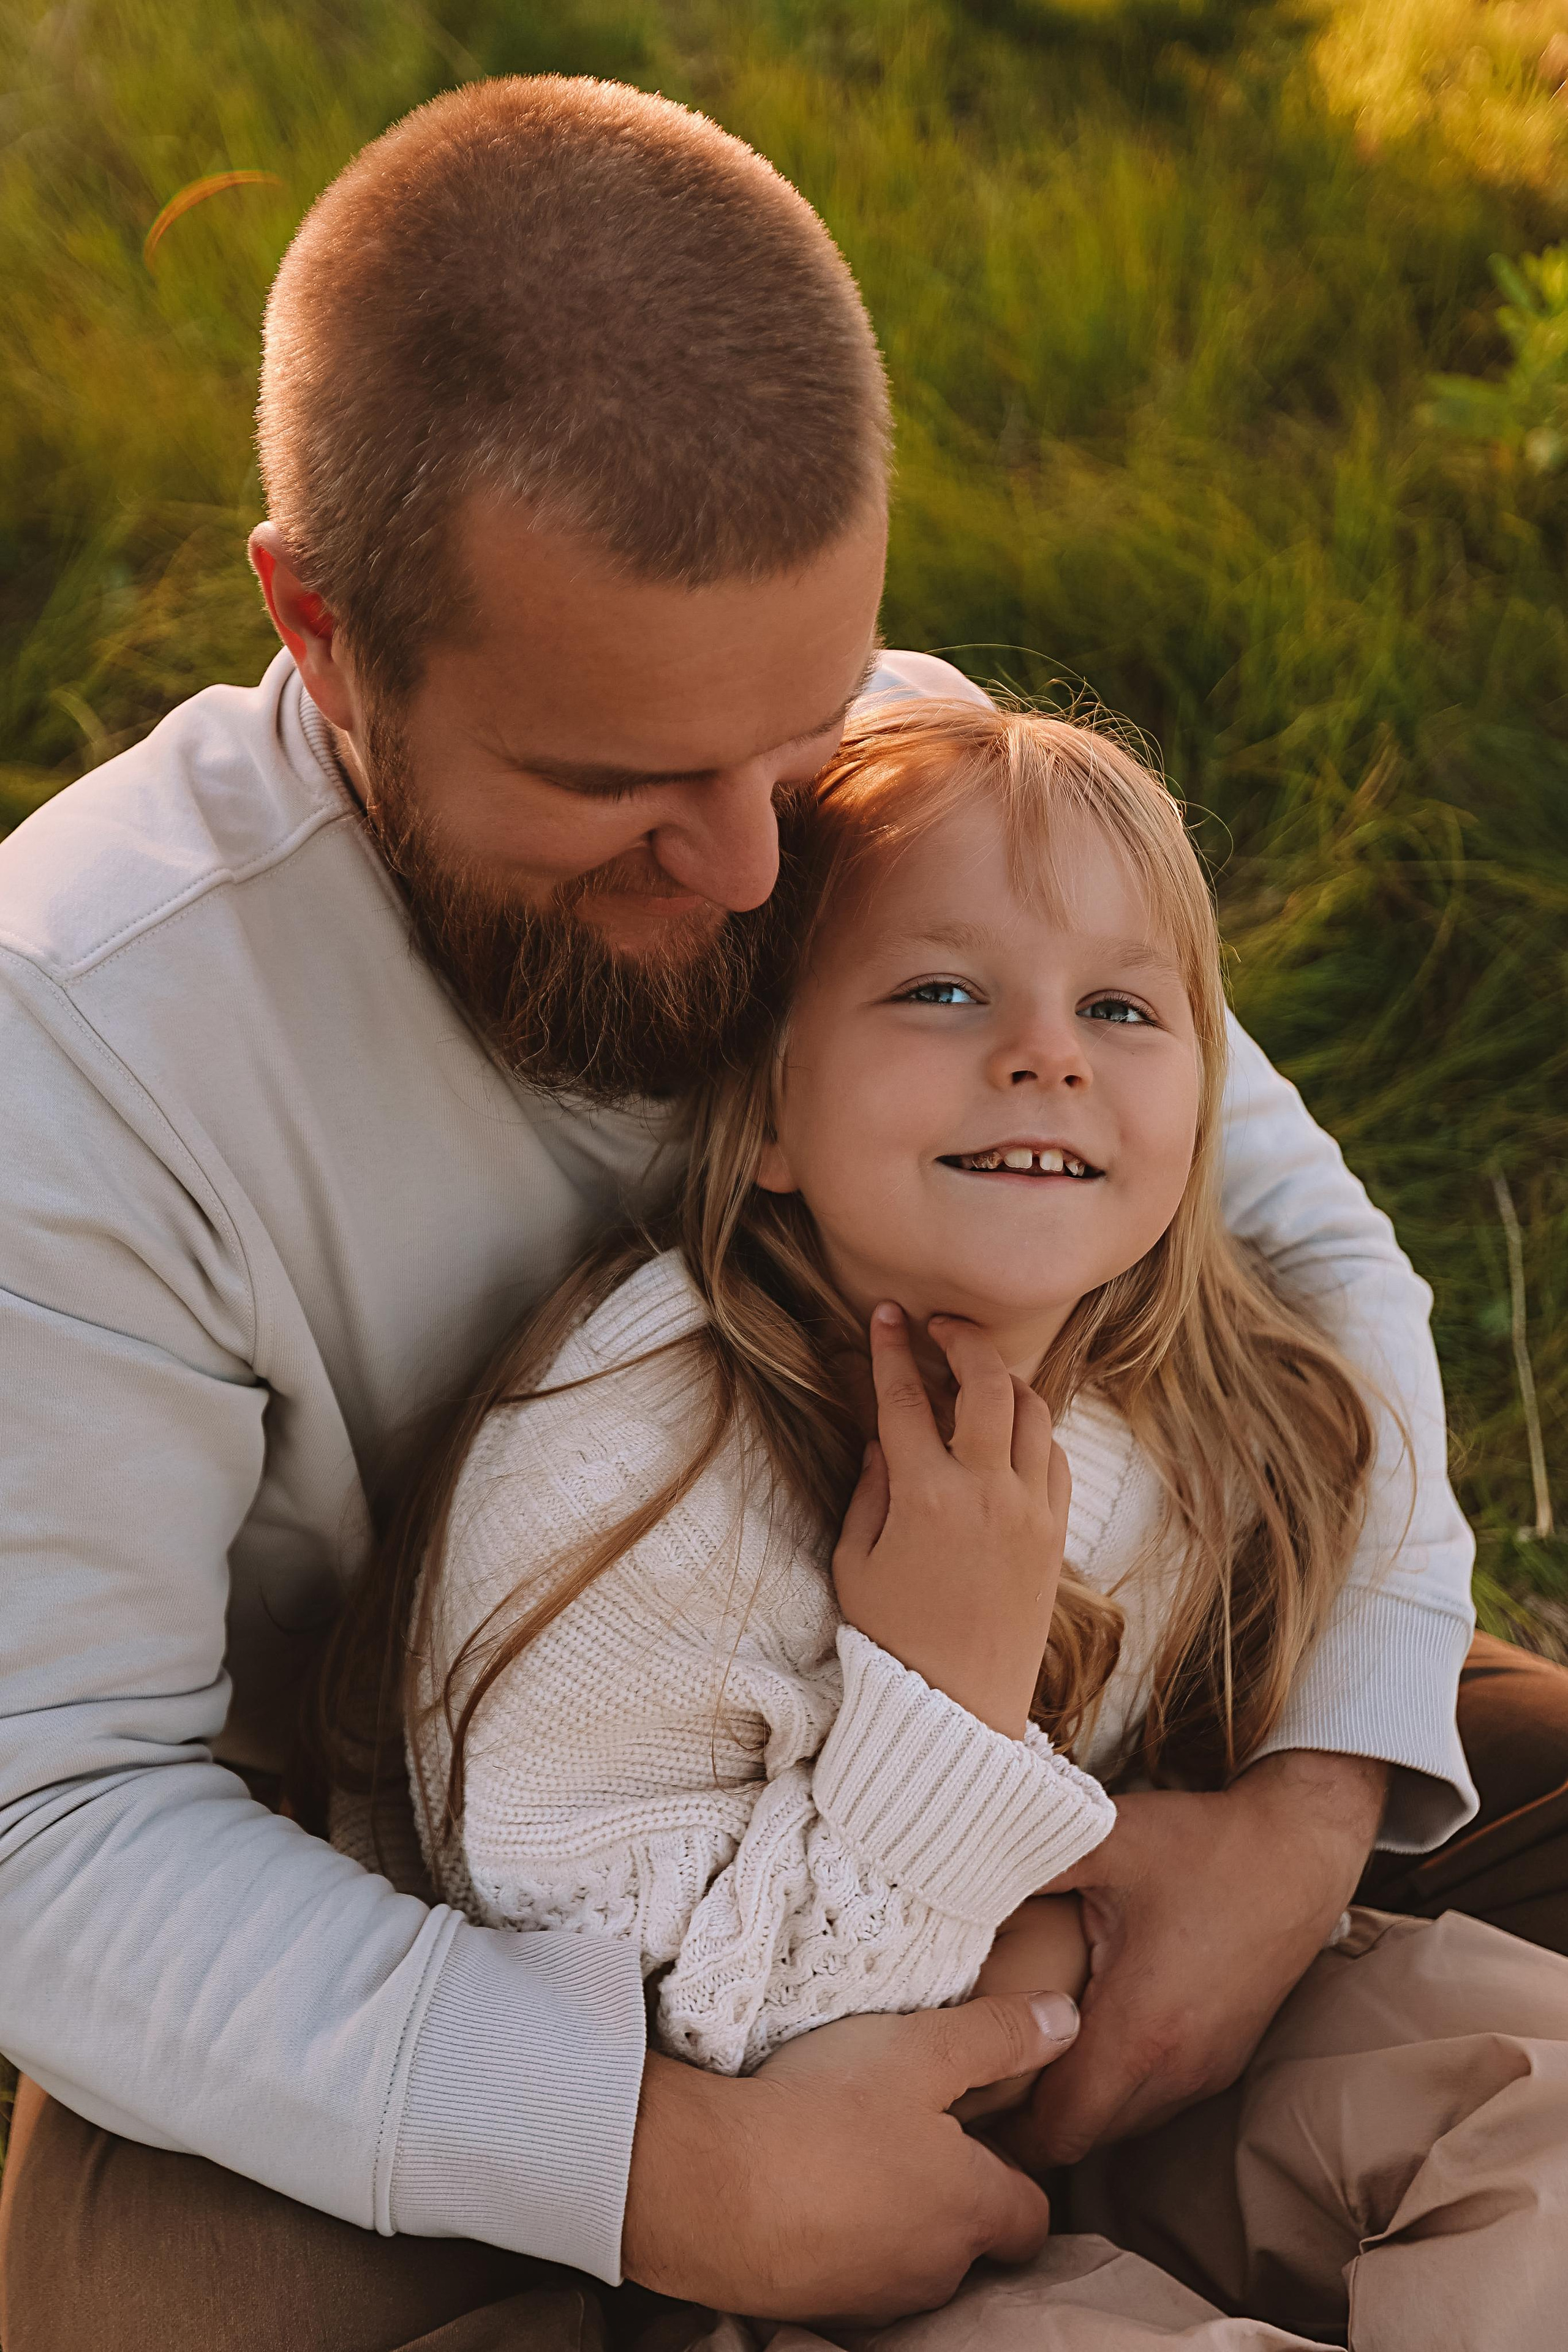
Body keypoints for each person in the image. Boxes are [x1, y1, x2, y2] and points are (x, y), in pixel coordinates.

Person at [0, 68, 1564, 2352]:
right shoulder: (82, 1041)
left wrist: (1307, 1818)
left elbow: (1305, 1257)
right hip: (484, 1927)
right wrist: (667, 2168)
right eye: (614, 782)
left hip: (1095, 1726)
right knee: (148, 2316)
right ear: (322, 638)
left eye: (796, 728)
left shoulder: (892, 773)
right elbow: (52, 1826)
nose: (755, 866)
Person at [339, 696, 1568, 2350]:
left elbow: (1314, 1569)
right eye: (942, 991)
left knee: (1537, 2109)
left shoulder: (1180, 1391)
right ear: (766, 1109)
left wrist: (1183, 1881)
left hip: (1134, 2047)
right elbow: (645, 2044)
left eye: (1122, 1008)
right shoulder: (623, 1489)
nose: (1047, 1052)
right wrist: (943, 1705)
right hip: (803, 2198)